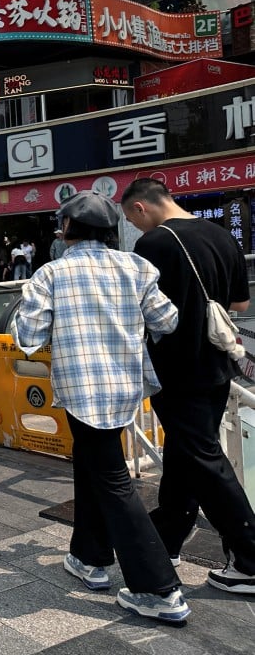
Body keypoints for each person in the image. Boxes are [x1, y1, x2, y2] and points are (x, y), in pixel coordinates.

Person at [13, 191, 189, 623]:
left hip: (80, 390)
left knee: (112, 478)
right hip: (125, 387)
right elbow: (167, 321)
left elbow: (28, 337)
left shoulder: (50, 274)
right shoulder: (138, 267)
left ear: (67, 231)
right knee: (91, 463)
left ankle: (159, 589)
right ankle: (89, 557)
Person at [120, 177, 255, 594]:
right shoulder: (221, 236)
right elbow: (239, 305)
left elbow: (145, 312)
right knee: (185, 452)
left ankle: (251, 557)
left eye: (132, 220)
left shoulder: (155, 244)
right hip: (218, 364)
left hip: (178, 369)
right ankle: (170, 536)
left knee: (203, 459)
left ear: (141, 208)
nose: (136, 229)